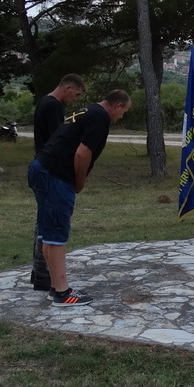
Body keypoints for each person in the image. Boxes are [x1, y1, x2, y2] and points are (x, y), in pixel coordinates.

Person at [28, 89, 131, 305]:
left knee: (47, 233)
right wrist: (79, 181)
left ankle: (55, 287)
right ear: (118, 106)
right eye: (123, 112)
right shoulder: (101, 117)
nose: (121, 117)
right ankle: (63, 292)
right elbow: (83, 153)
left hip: (40, 168)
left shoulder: (89, 110)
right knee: (56, 233)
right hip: (55, 175)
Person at [29, 74, 85, 290]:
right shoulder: (52, 106)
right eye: (76, 94)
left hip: (42, 167)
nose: (75, 99)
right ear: (68, 87)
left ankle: (39, 271)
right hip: (51, 170)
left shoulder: (44, 101)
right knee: (48, 225)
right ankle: (45, 274)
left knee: (43, 221)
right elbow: (59, 139)